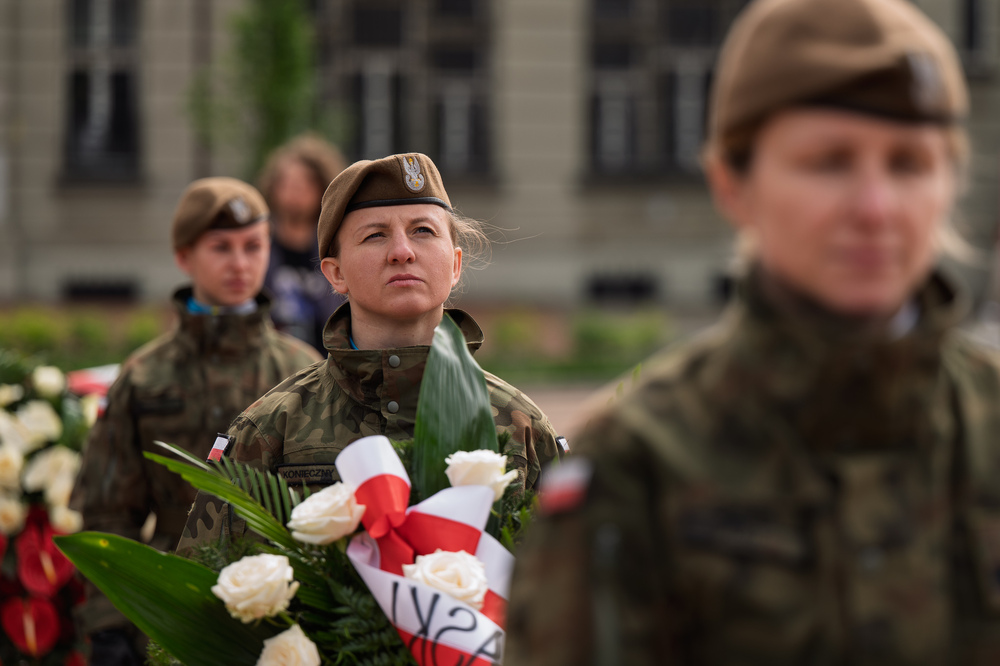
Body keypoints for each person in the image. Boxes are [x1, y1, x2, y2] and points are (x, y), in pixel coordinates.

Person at [505, 0, 1000, 664]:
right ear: (732, 183)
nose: (876, 207)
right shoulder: (640, 462)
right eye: (829, 161)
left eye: (910, 164)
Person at [177, 153, 564, 553]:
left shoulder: (522, 429)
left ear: (455, 265)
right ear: (335, 273)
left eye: (423, 231)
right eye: (375, 235)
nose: (402, 251)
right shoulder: (272, 428)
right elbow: (203, 590)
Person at [69, 177, 322, 664]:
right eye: (221, 247)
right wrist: (109, 626)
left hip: (283, 612)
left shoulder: (302, 372)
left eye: (254, 246)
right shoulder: (143, 377)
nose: (240, 263)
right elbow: (108, 511)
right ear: (184, 257)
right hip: (169, 605)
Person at [259, 134, 348, 354]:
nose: (295, 190)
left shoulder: (339, 248)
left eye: (305, 182)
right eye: (286, 182)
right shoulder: (256, 249)